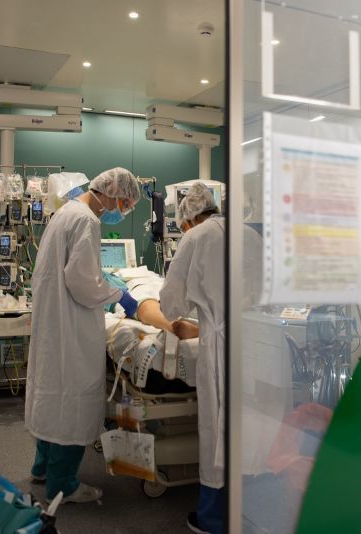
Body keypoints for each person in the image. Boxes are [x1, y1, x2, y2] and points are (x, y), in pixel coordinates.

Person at [25, 167, 142, 503]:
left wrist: (102, 282)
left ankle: (43, 466)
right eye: (124, 204)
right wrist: (119, 295)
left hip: (54, 322)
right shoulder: (86, 220)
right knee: (71, 399)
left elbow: (73, 272)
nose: (121, 211)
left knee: (53, 393)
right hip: (71, 325)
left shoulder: (66, 213)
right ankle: (63, 485)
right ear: (112, 192)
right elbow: (82, 282)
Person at [159, 182, 226, 534]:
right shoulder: (246, 232)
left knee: (217, 429)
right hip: (257, 341)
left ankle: (213, 518)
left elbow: (171, 305)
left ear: (187, 219)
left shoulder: (196, 238)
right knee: (249, 427)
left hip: (220, 348)